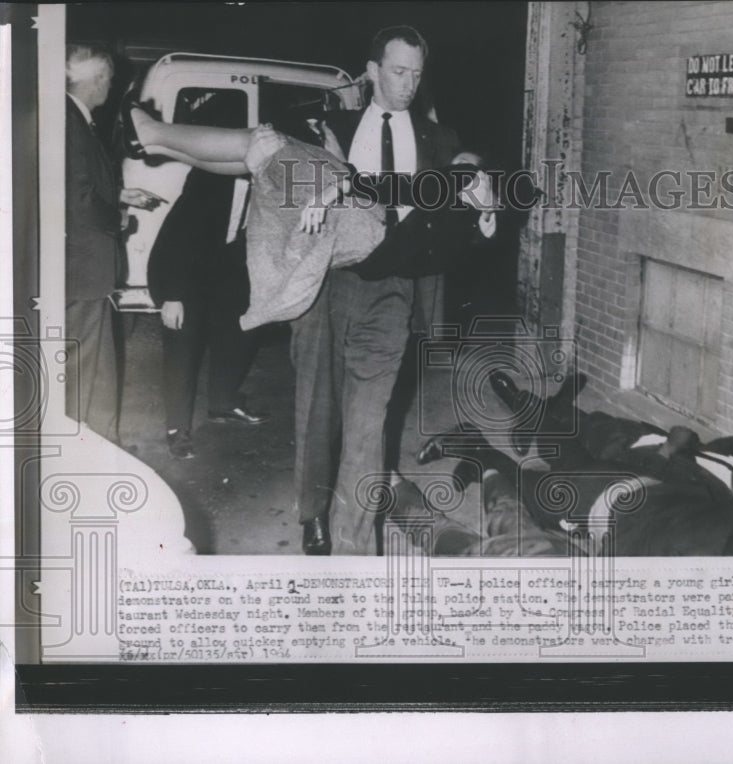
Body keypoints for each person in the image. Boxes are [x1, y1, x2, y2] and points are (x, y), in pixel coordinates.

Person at [119, 26, 499, 554]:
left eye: (416, 74)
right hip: (324, 284)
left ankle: (353, 549)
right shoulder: (327, 123)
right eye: (397, 71)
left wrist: (479, 194)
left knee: (369, 428)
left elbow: (464, 195)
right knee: (318, 412)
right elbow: (249, 166)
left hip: (391, 289)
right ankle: (312, 513)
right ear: (372, 72)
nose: (408, 84)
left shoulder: (440, 141)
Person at [65, 44, 162, 443]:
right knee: (82, 366)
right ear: (98, 79)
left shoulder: (75, 119)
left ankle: (102, 443)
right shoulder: (69, 123)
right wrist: (118, 217)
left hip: (87, 270)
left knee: (97, 363)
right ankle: (80, 449)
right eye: (109, 78)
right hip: (82, 269)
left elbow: (80, 182)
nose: (111, 86)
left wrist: (121, 195)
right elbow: (77, 199)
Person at [148, 167, 270, 460]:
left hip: (230, 270)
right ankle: (177, 429)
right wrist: (172, 297)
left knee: (241, 332)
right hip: (188, 272)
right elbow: (175, 237)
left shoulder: (272, 179)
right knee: (182, 348)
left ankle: (224, 402)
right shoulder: (210, 176)